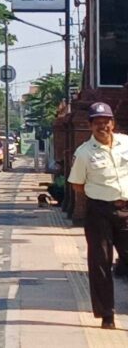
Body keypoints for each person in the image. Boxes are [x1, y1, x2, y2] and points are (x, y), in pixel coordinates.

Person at [69, 102, 128, 329]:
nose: (103, 126)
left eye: (106, 121)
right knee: (100, 263)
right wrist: (101, 195)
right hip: (100, 212)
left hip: (126, 210)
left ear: (113, 123)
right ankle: (107, 315)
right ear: (90, 125)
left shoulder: (126, 143)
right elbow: (77, 184)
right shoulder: (84, 153)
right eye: (98, 122)